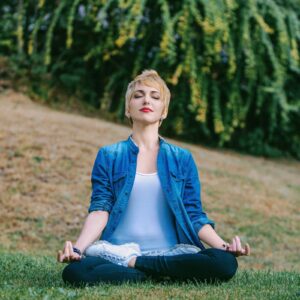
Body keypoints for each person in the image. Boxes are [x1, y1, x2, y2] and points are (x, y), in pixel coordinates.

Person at [57, 70, 250, 286]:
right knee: (75, 272)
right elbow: (101, 208)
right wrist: (77, 249)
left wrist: (224, 246)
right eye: (138, 95)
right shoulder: (109, 155)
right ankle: (163, 273)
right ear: (128, 108)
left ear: (164, 111)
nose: (146, 100)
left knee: (225, 262)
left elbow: (193, 214)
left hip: (173, 252)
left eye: (155, 96)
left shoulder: (182, 158)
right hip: (119, 253)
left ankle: (140, 267)